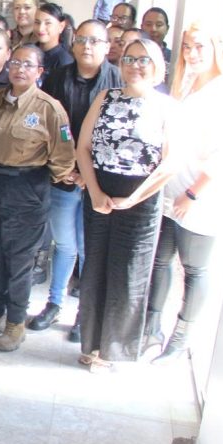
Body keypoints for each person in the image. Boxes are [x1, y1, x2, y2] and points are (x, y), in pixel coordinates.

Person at [75, 38, 175, 370]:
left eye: (144, 60)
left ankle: (114, 351)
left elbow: (169, 163)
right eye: (130, 59)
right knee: (96, 269)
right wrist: (94, 191)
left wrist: (133, 198)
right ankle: (91, 344)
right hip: (100, 193)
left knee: (128, 274)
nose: (135, 65)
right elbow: (83, 148)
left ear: (158, 66)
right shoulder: (106, 97)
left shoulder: (166, 107)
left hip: (141, 198)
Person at [0, 45, 75, 352]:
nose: (19, 69)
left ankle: (16, 323)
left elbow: (64, 159)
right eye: (15, 63)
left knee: (20, 260)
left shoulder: (48, 109)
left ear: (40, 72)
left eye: (28, 65)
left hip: (26, 189)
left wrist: (35, 182)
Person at [33, 20, 123, 339]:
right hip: (62, 176)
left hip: (99, 183)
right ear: (73, 44)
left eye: (95, 41)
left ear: (107, 46)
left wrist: (88, 173)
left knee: (88, 247)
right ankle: (54, 303)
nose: (87, 46)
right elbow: (47, 127)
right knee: (65, 244)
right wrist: (66, 168)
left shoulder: (117, 81)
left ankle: (85, 314)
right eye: (82, 39)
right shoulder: (57, 78)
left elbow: (115, 137)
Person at [146, 23, 223, 362]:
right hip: (170, 190)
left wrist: (192, 194)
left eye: (199, 47)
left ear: (215, 47)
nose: (192, 54)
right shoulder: (186, 85)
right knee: (160, 260)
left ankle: (182, 337)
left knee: (195, 269)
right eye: (186, 47)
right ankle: (151, 327)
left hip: (198, 197)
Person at [34, 3, 75, 75]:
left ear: (61, 26)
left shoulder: (64, 61)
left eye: (48, 23)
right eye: (37, 22)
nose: (40, 29)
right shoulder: (29, 51)